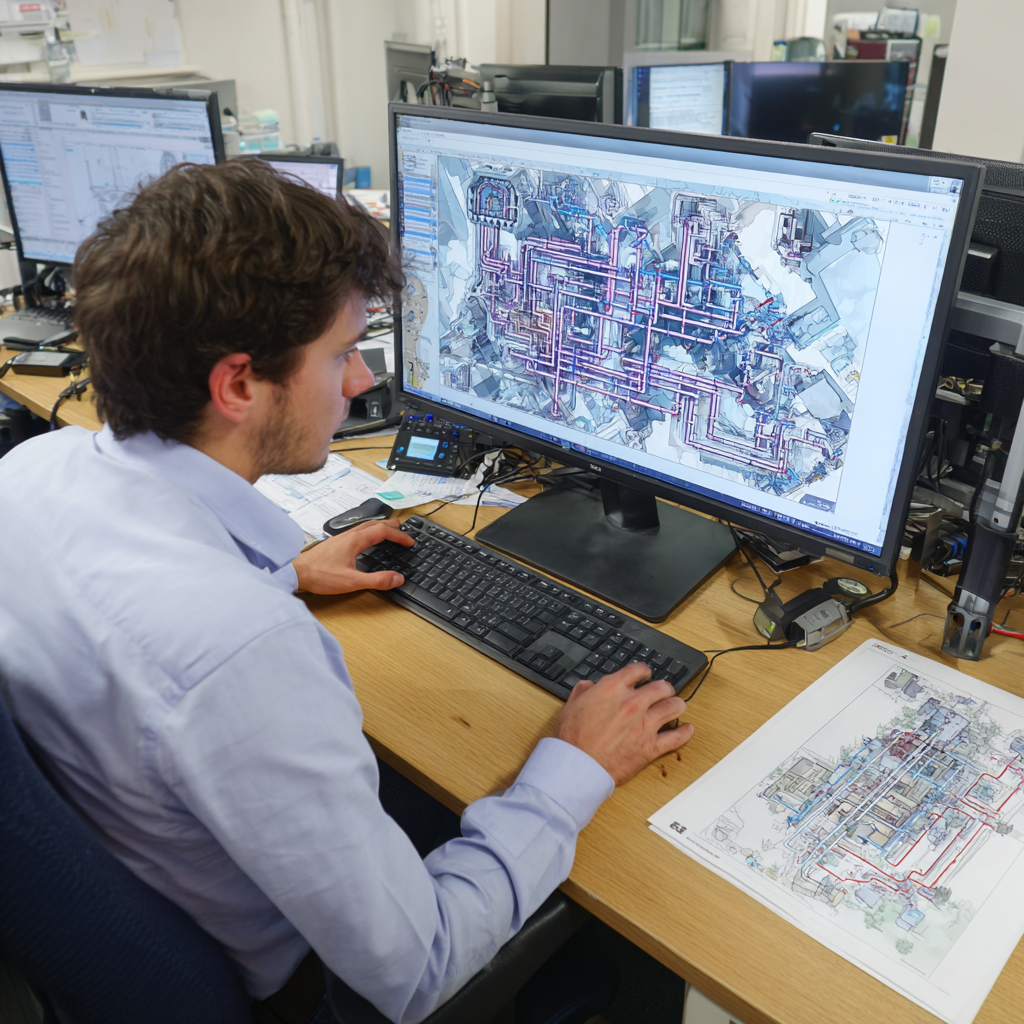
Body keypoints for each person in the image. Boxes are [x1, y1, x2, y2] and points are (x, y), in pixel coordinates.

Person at [0, 160, 694, 1024]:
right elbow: (418, 969)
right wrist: (575, 767)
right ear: (239, 384)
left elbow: (132, 632)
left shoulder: (30, 472)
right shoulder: (238, 652)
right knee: (623, 900)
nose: (364, 384)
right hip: (304, 984)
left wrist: (285, 573)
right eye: (340, 355)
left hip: (150, 874)